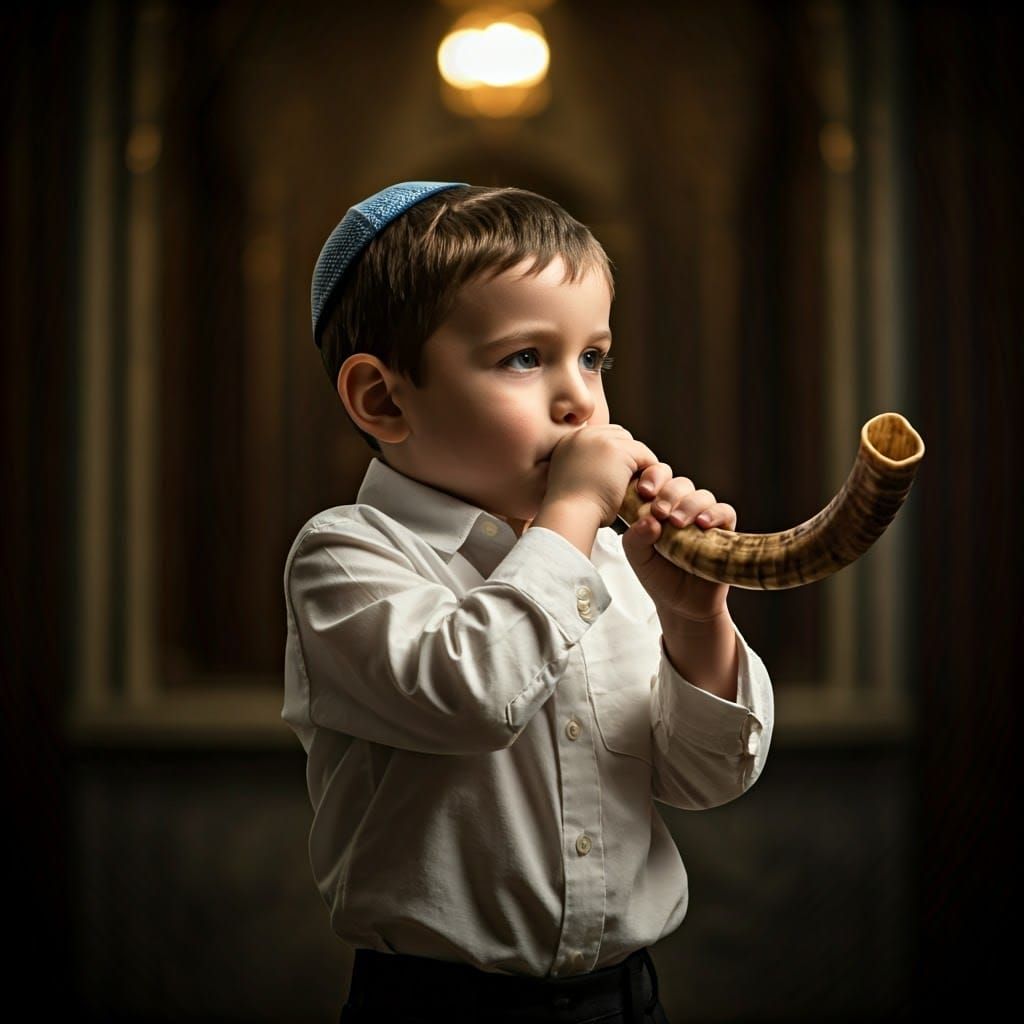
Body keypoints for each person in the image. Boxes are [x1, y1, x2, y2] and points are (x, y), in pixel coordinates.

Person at [282, 181, 774, 1024]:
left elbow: (707, 779)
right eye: (523, 357)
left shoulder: (610, 565)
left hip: (626, 1001)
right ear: (383, 399)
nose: (580, 400)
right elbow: (475, 696)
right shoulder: (345, 557)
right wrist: (575, 512)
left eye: (593, 358)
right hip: (435, 1009)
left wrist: (697, 621)